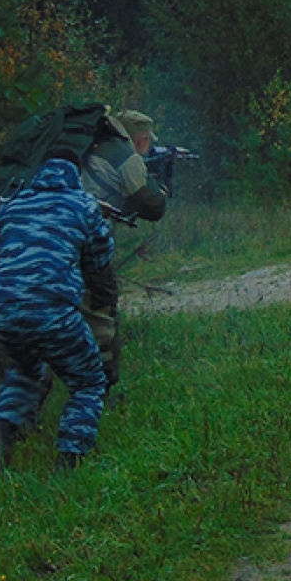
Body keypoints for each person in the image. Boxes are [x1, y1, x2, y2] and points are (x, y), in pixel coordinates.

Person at [0, 152, 118, 475]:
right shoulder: (82, 205)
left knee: (25, 370)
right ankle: (68, 463)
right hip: (53, 310)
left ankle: (0, 441)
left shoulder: (12, 205)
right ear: (76, 174)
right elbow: (100, 262)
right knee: (88, 381)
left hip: (2, 309)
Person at [74, 109, 166, 388]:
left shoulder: (88, 147)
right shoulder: (122, 154)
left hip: (52, 241)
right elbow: (152, 206)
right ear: (140, 139)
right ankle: (102, 387)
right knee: (103, 311)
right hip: (87, 246)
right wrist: (162, 186)